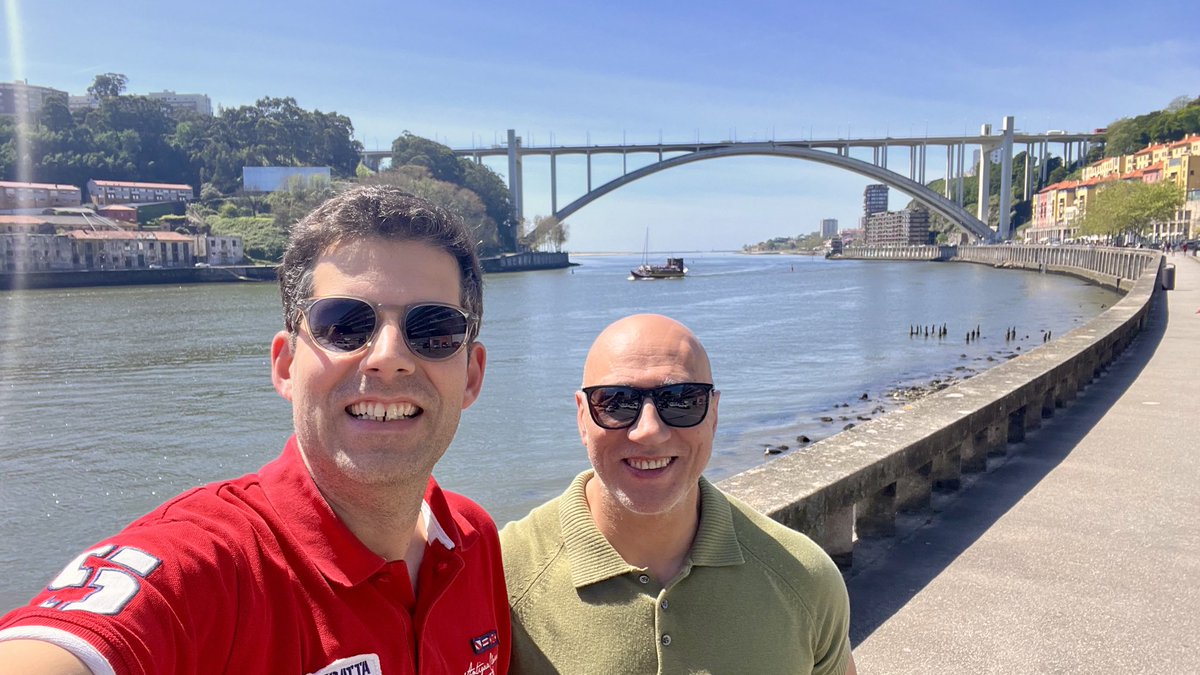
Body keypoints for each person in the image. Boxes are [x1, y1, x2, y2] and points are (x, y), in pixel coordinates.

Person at [0, 186, 510, 674]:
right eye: (343, 324)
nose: (388, 357)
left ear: (471, 376)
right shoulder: (208, 571)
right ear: (286, 367)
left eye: (435, 329)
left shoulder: (472, 540)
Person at [500, 314, 856, 674]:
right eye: (616, 403)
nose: (649, 431)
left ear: (713, 415)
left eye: (682, 401)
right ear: (582, 418)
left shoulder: (804, 578)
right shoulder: (501, 579)